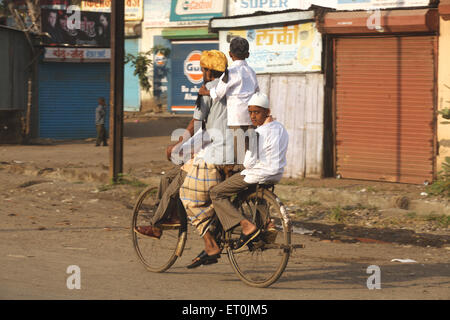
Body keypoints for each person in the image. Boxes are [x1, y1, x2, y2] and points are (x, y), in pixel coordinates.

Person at [135, 50, 229, 240]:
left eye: (202, 68)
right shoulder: (230, 87)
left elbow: (195, 123)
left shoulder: (207, 90)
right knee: (166, 178)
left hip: (210, 152)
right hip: (224, 146)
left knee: (173, 186)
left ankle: (156, 225)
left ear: (206, 70)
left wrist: (179, 144)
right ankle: (171, 216)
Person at [207, 92, 289, 254]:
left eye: (256, 112)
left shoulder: (257, 134)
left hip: (259, 173)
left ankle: (246, 226)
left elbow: (248, 163)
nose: (252, 116)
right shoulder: (280, 128)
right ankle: (265, 223)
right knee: (251, 189)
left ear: (267, 111)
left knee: (216, 193)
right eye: (250, 112)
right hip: (276, 173)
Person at [198, 36, 259, 164]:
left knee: (238, 157)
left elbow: (219, 93)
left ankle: (240, 179)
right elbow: (257, 92)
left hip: (236, 119)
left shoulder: (230, 72)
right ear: (248, 54)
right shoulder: (252, 72)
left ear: (230, 54)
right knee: (250, 152)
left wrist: (205, 92)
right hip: (251, 118)